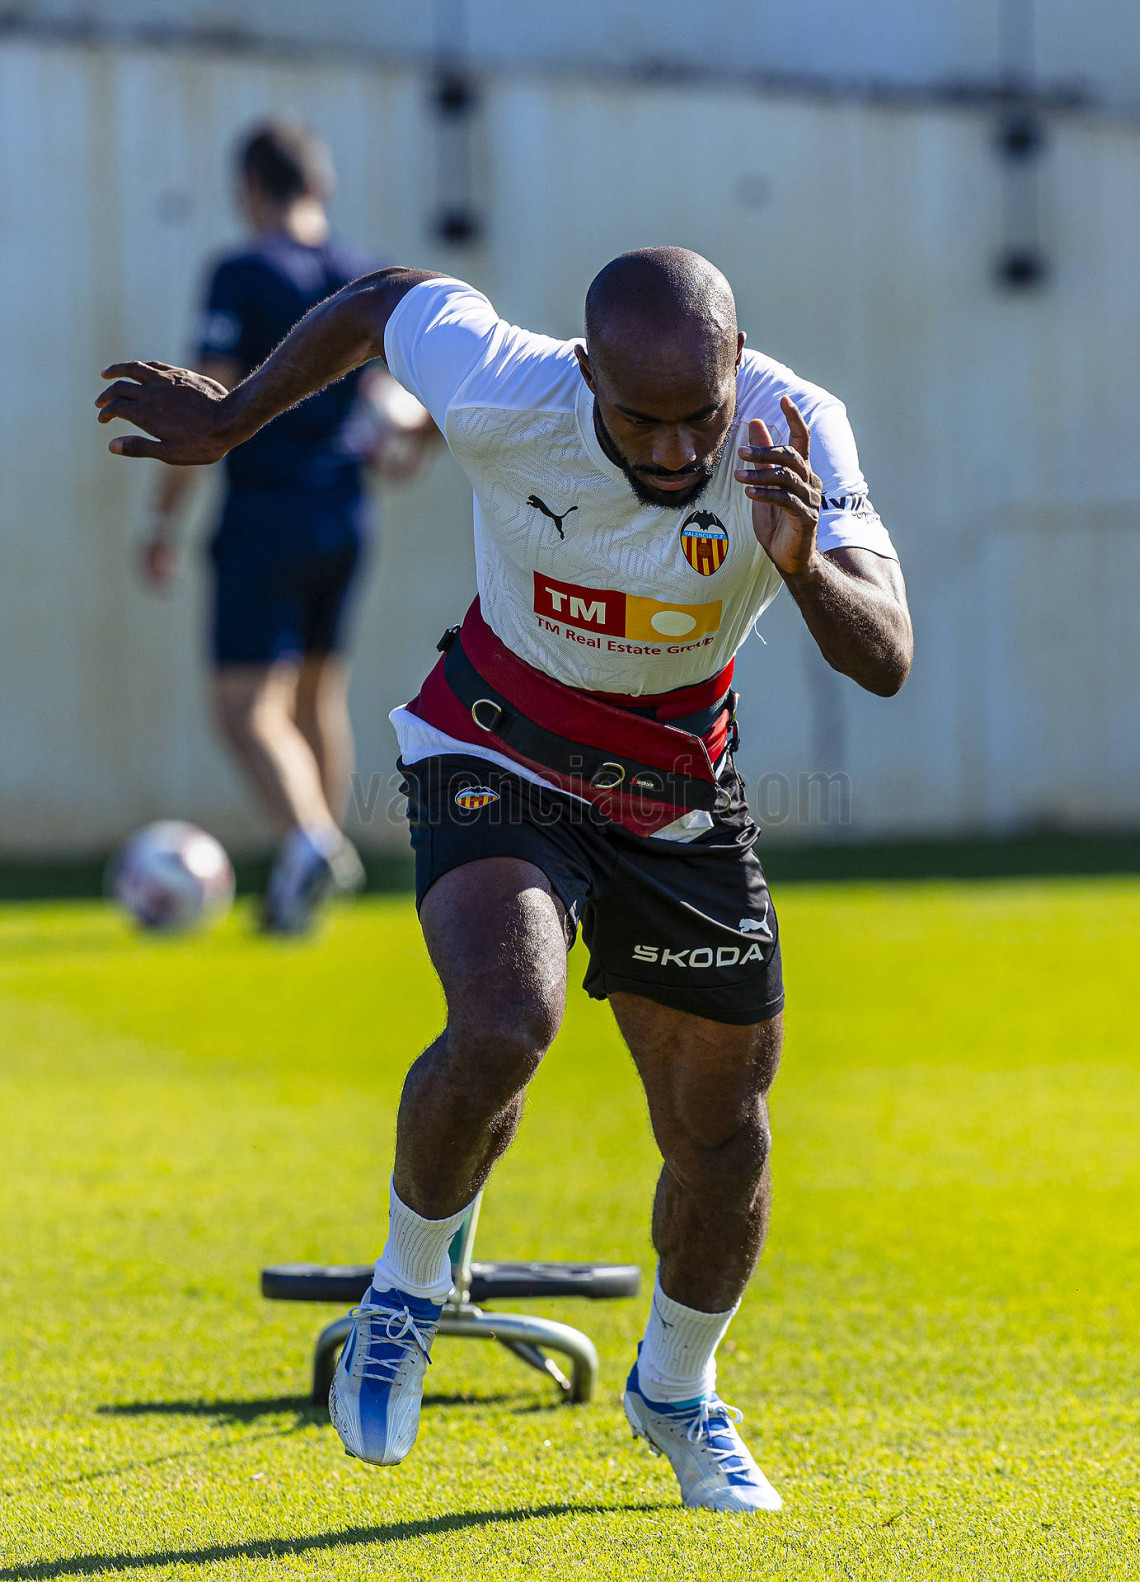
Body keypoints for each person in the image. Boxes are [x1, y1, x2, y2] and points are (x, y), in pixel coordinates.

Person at [97, 246, 913, 1512]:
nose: (674, 451)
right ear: (585, 376)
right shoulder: (504, 383)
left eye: (699, 415)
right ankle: (405, 1292)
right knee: (503, 1018)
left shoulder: (794, 431)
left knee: (721, 1130)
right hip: (496, 739)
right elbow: (381, 303)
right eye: (639, 420)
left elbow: (889, 655)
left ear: (738, 369)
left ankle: (676, 1390)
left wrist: (805, 566)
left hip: (675, 783)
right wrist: (235, 416)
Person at [142, 119, 440, 932]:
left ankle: (311, 845)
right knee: (316, 694)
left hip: (264, 512)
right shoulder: (362, 277)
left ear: (247, 186)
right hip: (344, 515)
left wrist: (162, 520)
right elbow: (404, 398)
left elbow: (205, 403)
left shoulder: (241, 271)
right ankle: (308, 883)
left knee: (243, 707)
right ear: (321, 182)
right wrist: (413, 443)